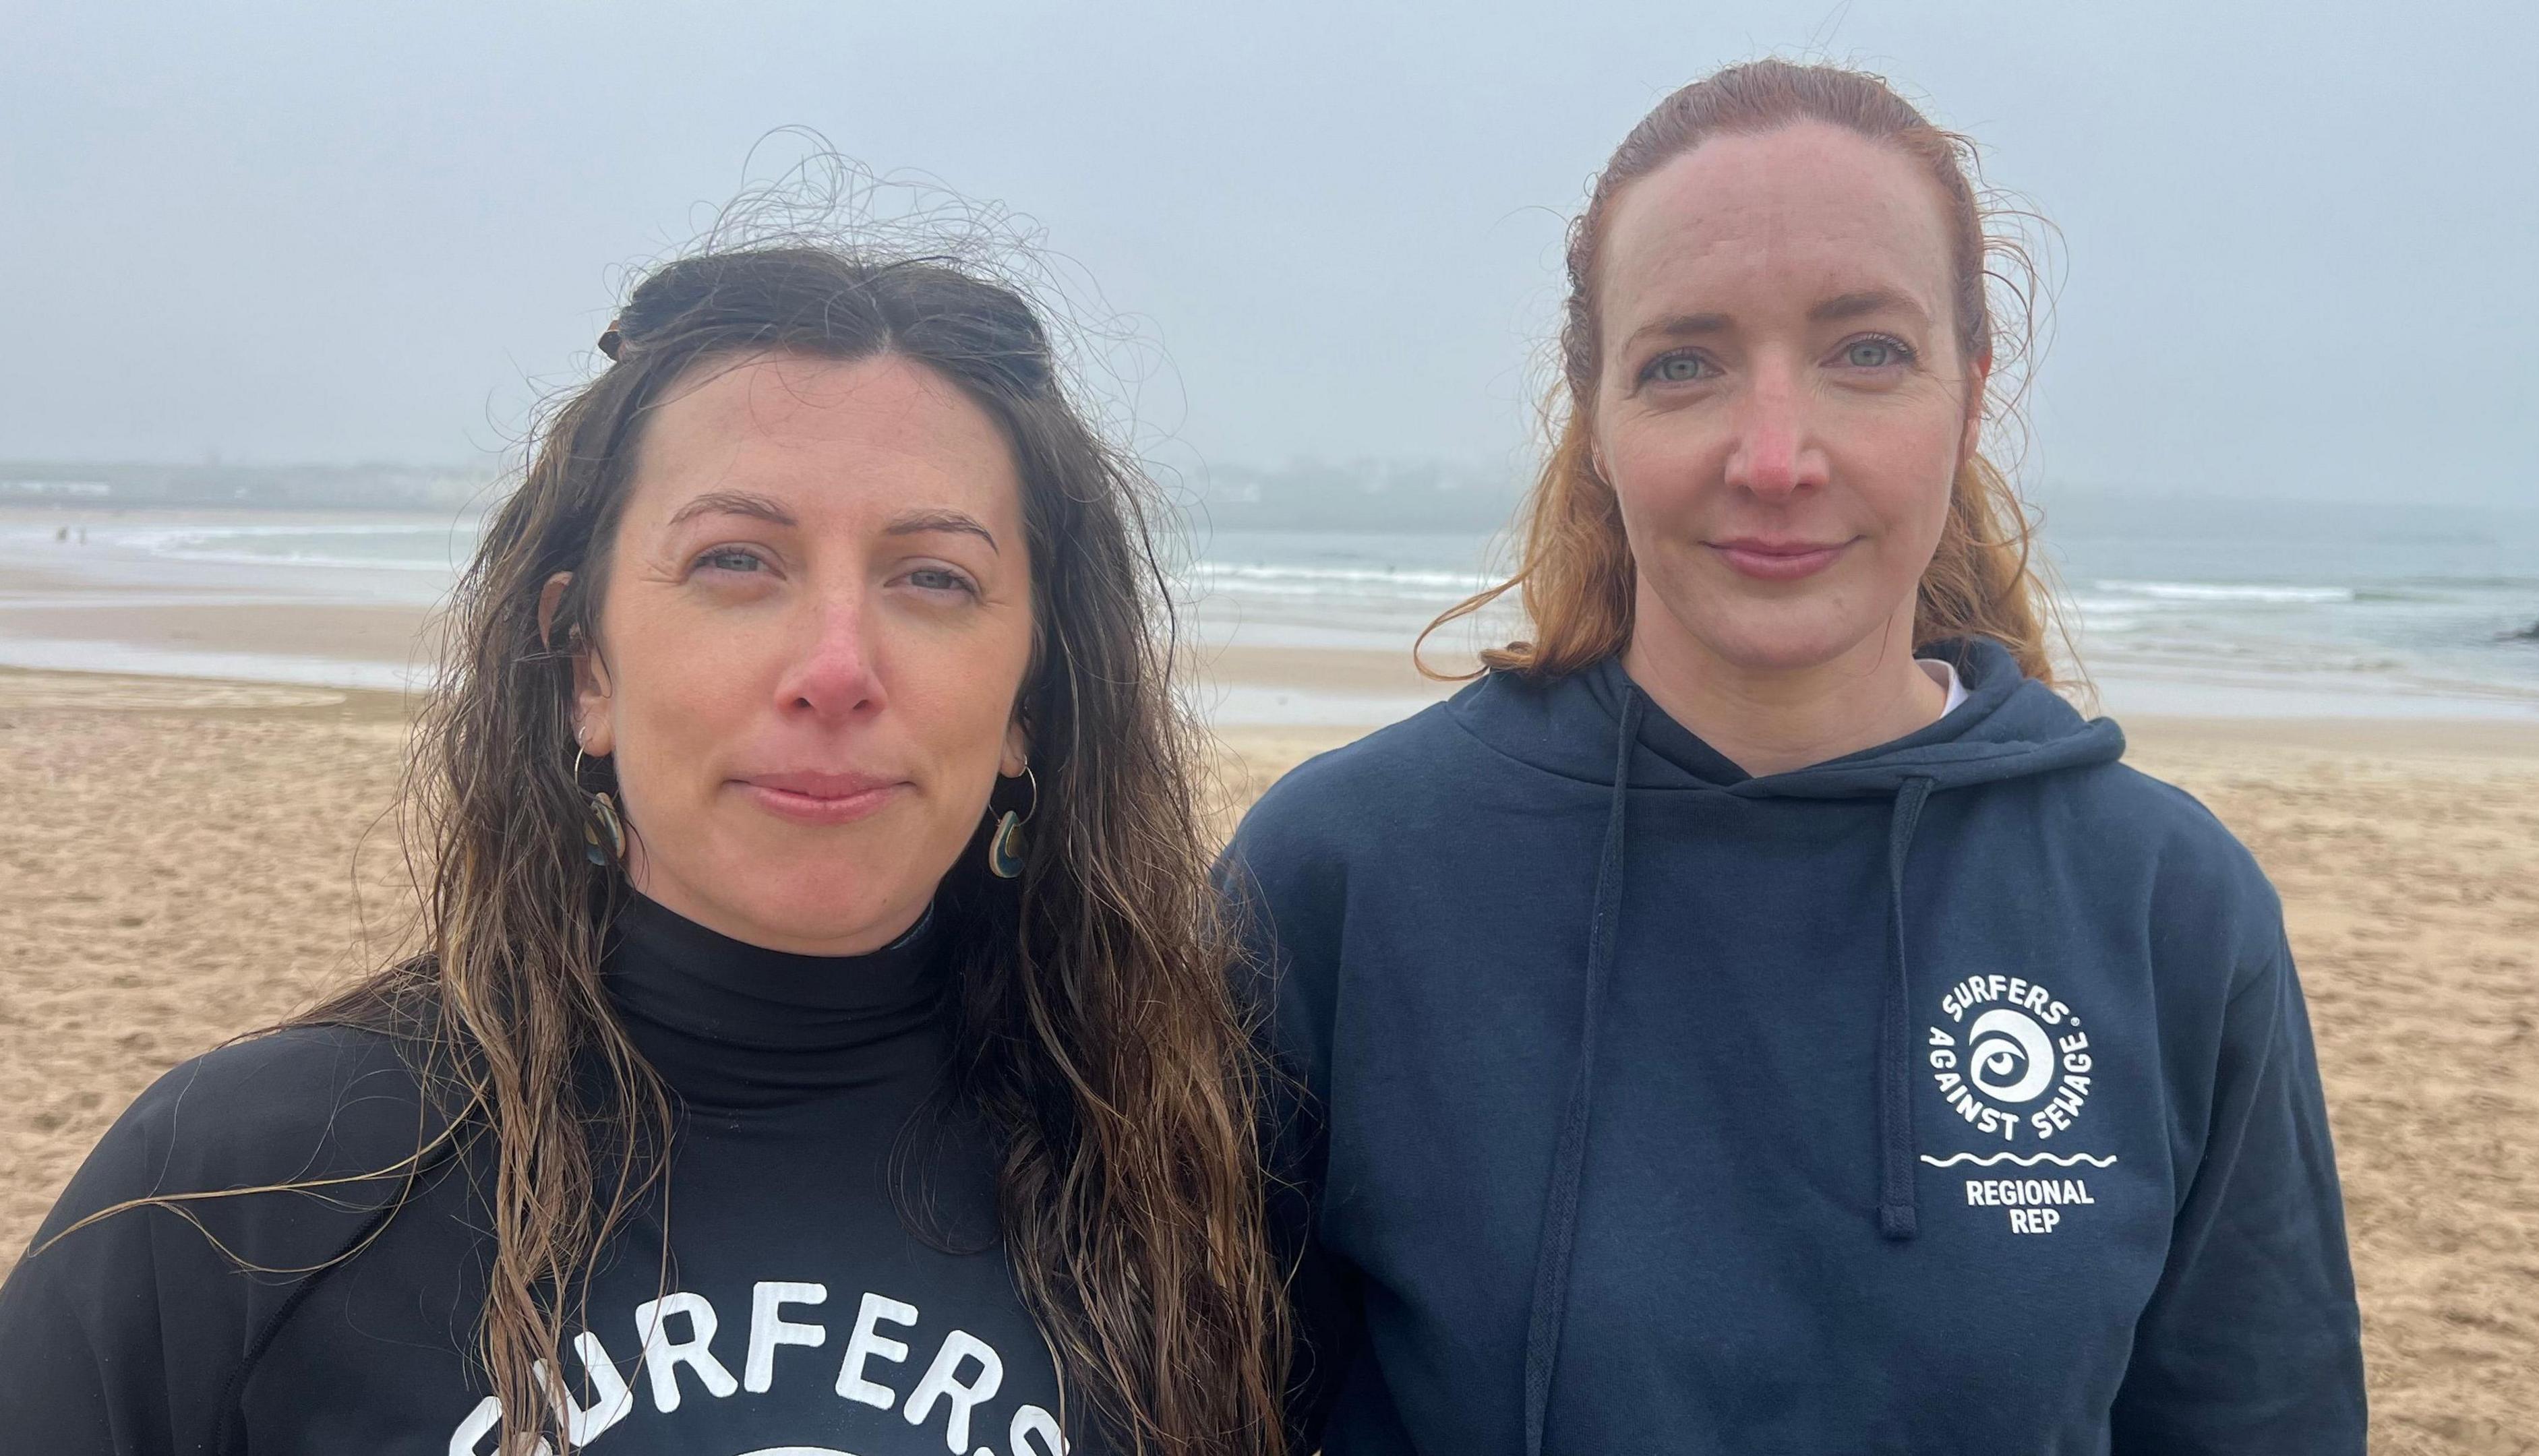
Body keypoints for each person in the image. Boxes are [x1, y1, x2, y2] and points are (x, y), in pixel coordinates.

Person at [1228, 60, 2365, 1455]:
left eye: (1866, 351)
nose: (1776, 456)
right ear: (1596, 417)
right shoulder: (1341, 877)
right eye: (1685, 363)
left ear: (1974, 391)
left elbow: (2263, 1421)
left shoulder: (2165, 907)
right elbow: (1205, 1405)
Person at [0, 244, 1290, 1455]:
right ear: (583, 667)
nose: (836, 670)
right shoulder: (248, 1186)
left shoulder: (1196, 1188)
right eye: (738, 561)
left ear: (1028, 697)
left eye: (934, 578)